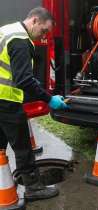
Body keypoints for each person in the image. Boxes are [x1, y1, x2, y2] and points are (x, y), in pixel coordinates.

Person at [0, 7, 68, 201]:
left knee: (0, 144)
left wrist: (34, 83)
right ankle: (33, 188)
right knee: (22, 145)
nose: (42, 37)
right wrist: (49, 99)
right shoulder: (21, 41)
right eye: (44, 31)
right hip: (6, 100)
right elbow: (23, 80)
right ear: (35, 21)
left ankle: (3, 180)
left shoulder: (7, 30)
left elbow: (13, 70)